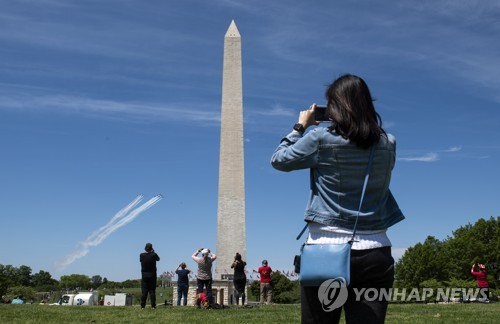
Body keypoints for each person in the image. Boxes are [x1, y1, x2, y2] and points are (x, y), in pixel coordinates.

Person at [271, 74, 404, 323]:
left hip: (325, 249)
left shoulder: (319, 139)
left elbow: (279, 160)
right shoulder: (389, 144)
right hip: (376, 252)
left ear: (335, 107)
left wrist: (300, 127)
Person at [139, 242, 160, 309]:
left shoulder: (141, 255)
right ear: (151, 248)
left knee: (144, 291)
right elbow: (158, 259)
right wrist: (153, 252)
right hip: (152, 275)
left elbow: (140, 260)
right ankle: (153, 306)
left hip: (144, 275)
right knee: (152, 291)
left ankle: (142, 306)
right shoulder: (154, 255)